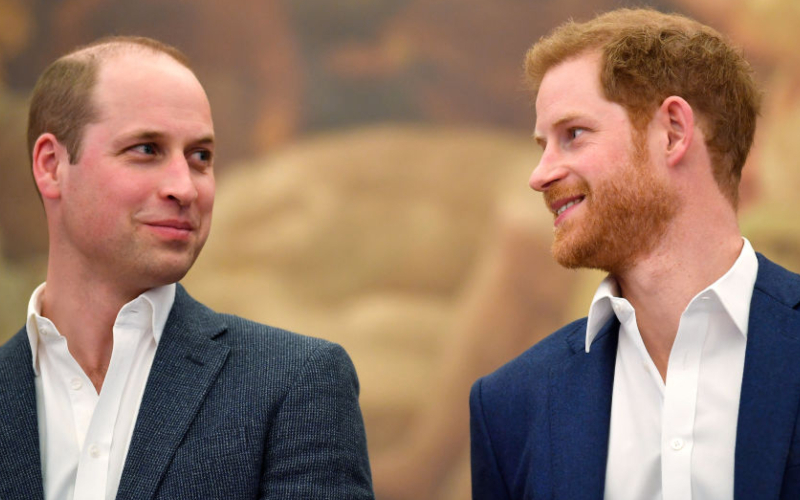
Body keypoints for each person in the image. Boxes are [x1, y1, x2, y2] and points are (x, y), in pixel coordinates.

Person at [0, 36, 374, 500]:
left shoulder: (296, 385)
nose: (185, 187)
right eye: (146, 149)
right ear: (52, 166)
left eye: (200, 157)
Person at [470, 8, 800, 500]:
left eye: (573, 135)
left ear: (672, 132)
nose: (539, 175)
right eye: (543, 145)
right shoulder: (511, 404)